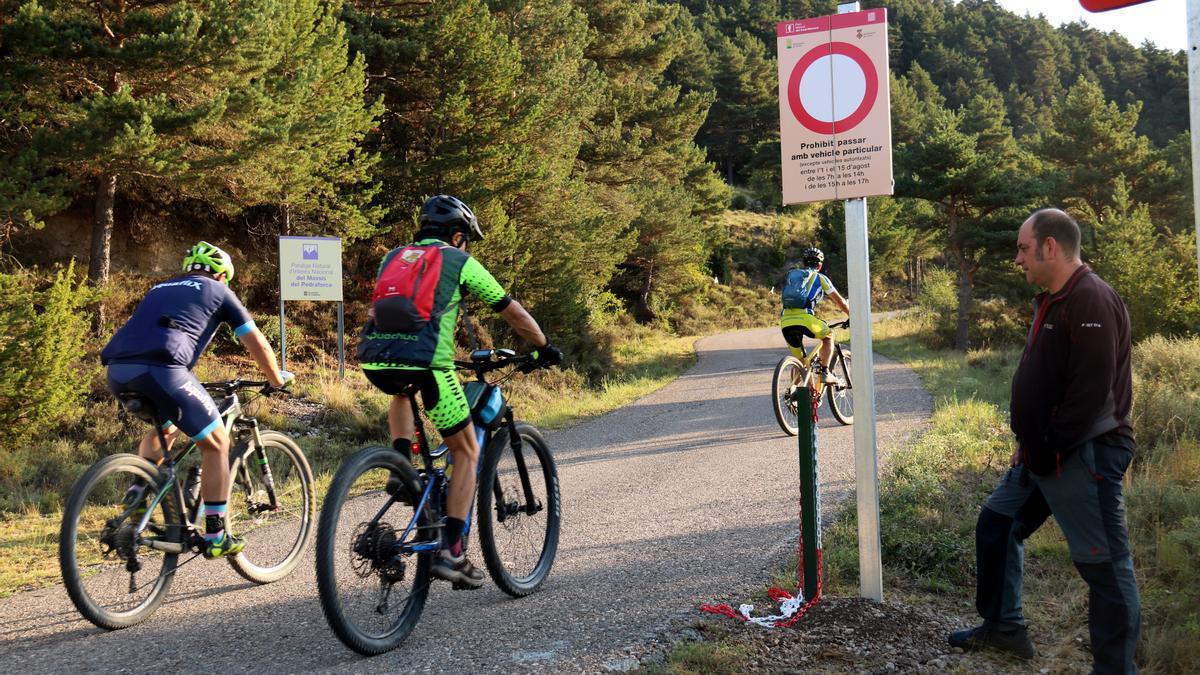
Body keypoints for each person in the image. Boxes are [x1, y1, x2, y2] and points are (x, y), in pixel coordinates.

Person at [949, 208, 1140, 674]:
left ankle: (1116, 669)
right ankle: (1005, 627)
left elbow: (1090, 396)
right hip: (1044, 452)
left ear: (1050, 247)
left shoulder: (1091, 299)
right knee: (997, 524)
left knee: (1105, 566)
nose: (1018, 259)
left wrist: (1048, 445)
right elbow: (1051, 383)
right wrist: (1030, 441)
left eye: (1023, 248)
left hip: (1082, 454)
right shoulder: (1056, 298)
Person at [357, 194, 562, 589]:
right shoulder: (459, 260)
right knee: (467, 450)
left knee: (401, 393)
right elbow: (511, 310)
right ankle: (452, 552)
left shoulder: (393, 257)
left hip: (375, 360)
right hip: (429, 364)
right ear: (457, 235)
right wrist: (542, 346)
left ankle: (401, 467)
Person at [101, 241, 293, 559]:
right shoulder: (220, 292)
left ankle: (136, 498)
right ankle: (217, 534)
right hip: (165, 370)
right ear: (222, 274)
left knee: (166, 427)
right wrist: (276, 379)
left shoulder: (159, 288)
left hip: (119, 370)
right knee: (216, 443)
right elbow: (256, 342)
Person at [779, 247, 850, 385]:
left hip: (785, 320)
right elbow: (840, 301)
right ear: (819, 265)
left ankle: (795, 392)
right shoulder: (820, 277)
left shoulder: (794, 277)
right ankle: (825, 372)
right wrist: (851, 315)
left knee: (801, 363)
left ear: (804, 263)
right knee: (828, 335)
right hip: (806, 318)